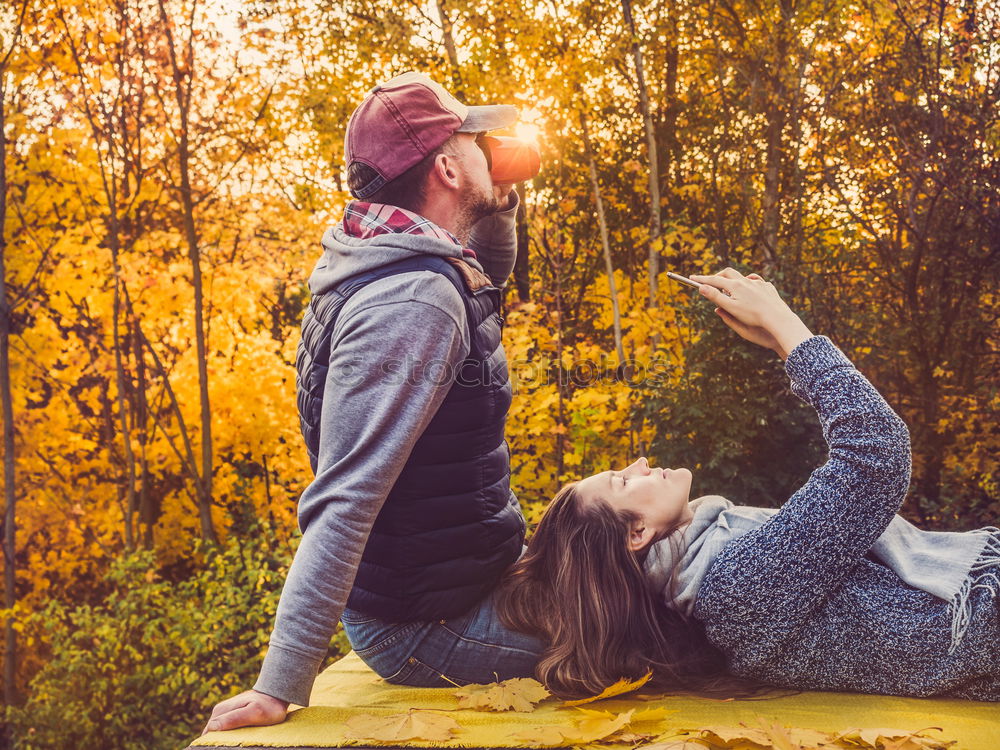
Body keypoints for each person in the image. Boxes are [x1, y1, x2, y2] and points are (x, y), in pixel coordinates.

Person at [202, 72, 543, 735]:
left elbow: (488, 282)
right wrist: (282, 681)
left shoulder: (402, 258)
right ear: (446, 166)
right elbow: (347, 492)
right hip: (426, 627)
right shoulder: (411, 302)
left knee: (653, 550)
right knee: (658, 619)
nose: (491, 147)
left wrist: (499, 200)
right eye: (476, 140)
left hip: (462, 586)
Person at [496, 267, 1000, 702]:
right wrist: (784, 323)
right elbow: (874, 455)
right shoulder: (738, 589)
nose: (641, 462)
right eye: (624, 482)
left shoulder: (722, 565)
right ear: (636, 534)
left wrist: (782, 343)